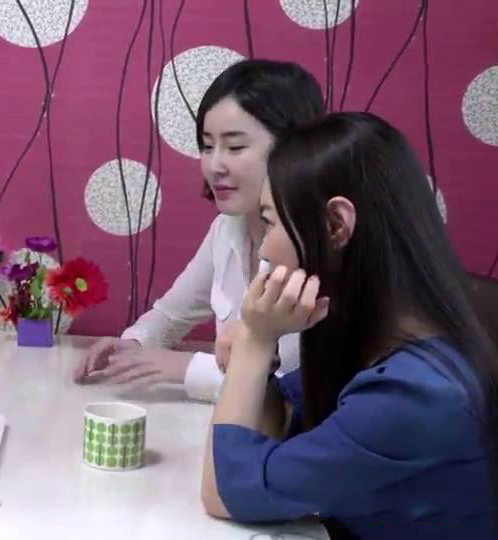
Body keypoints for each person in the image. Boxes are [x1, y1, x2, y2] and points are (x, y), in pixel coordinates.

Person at [201, 112, 498, 540]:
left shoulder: (416, 394)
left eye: (269, 222)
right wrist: (256, 361)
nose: (264, 248)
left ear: (336, 225)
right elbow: (279, 425)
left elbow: (224, 493)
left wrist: (254, 341)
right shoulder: (373, 337)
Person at [75, 59, 324, 401]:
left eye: (235, 147)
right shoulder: (227, 228)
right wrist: (135, 344)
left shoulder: (320, 247)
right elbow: (172, 314)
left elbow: (292, 392)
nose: (214, 165)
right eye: (207, 146)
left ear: (294, 149)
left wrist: (185, 367)